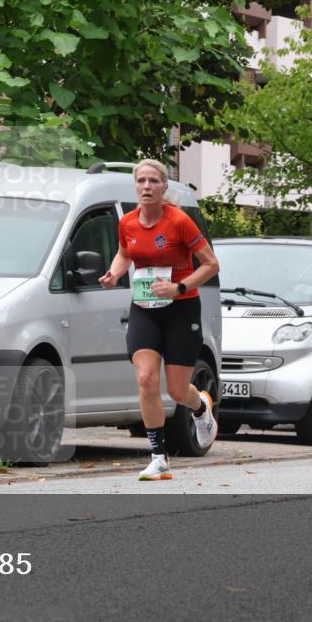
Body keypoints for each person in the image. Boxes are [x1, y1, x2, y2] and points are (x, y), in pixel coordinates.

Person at [98, 158, 220, 481]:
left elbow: (211, 264)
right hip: (144, 307)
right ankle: (158, 457)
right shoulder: (127, 223)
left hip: (181, 309)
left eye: (154, 181)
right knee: (146, 380)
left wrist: (178, 287)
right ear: (135, 186)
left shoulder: (179, 221)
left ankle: (200, 407)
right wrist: (114, 273)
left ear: (164, 187)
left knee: (178, 391)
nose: (147, 187)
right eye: (142, 181)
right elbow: (125, 254)